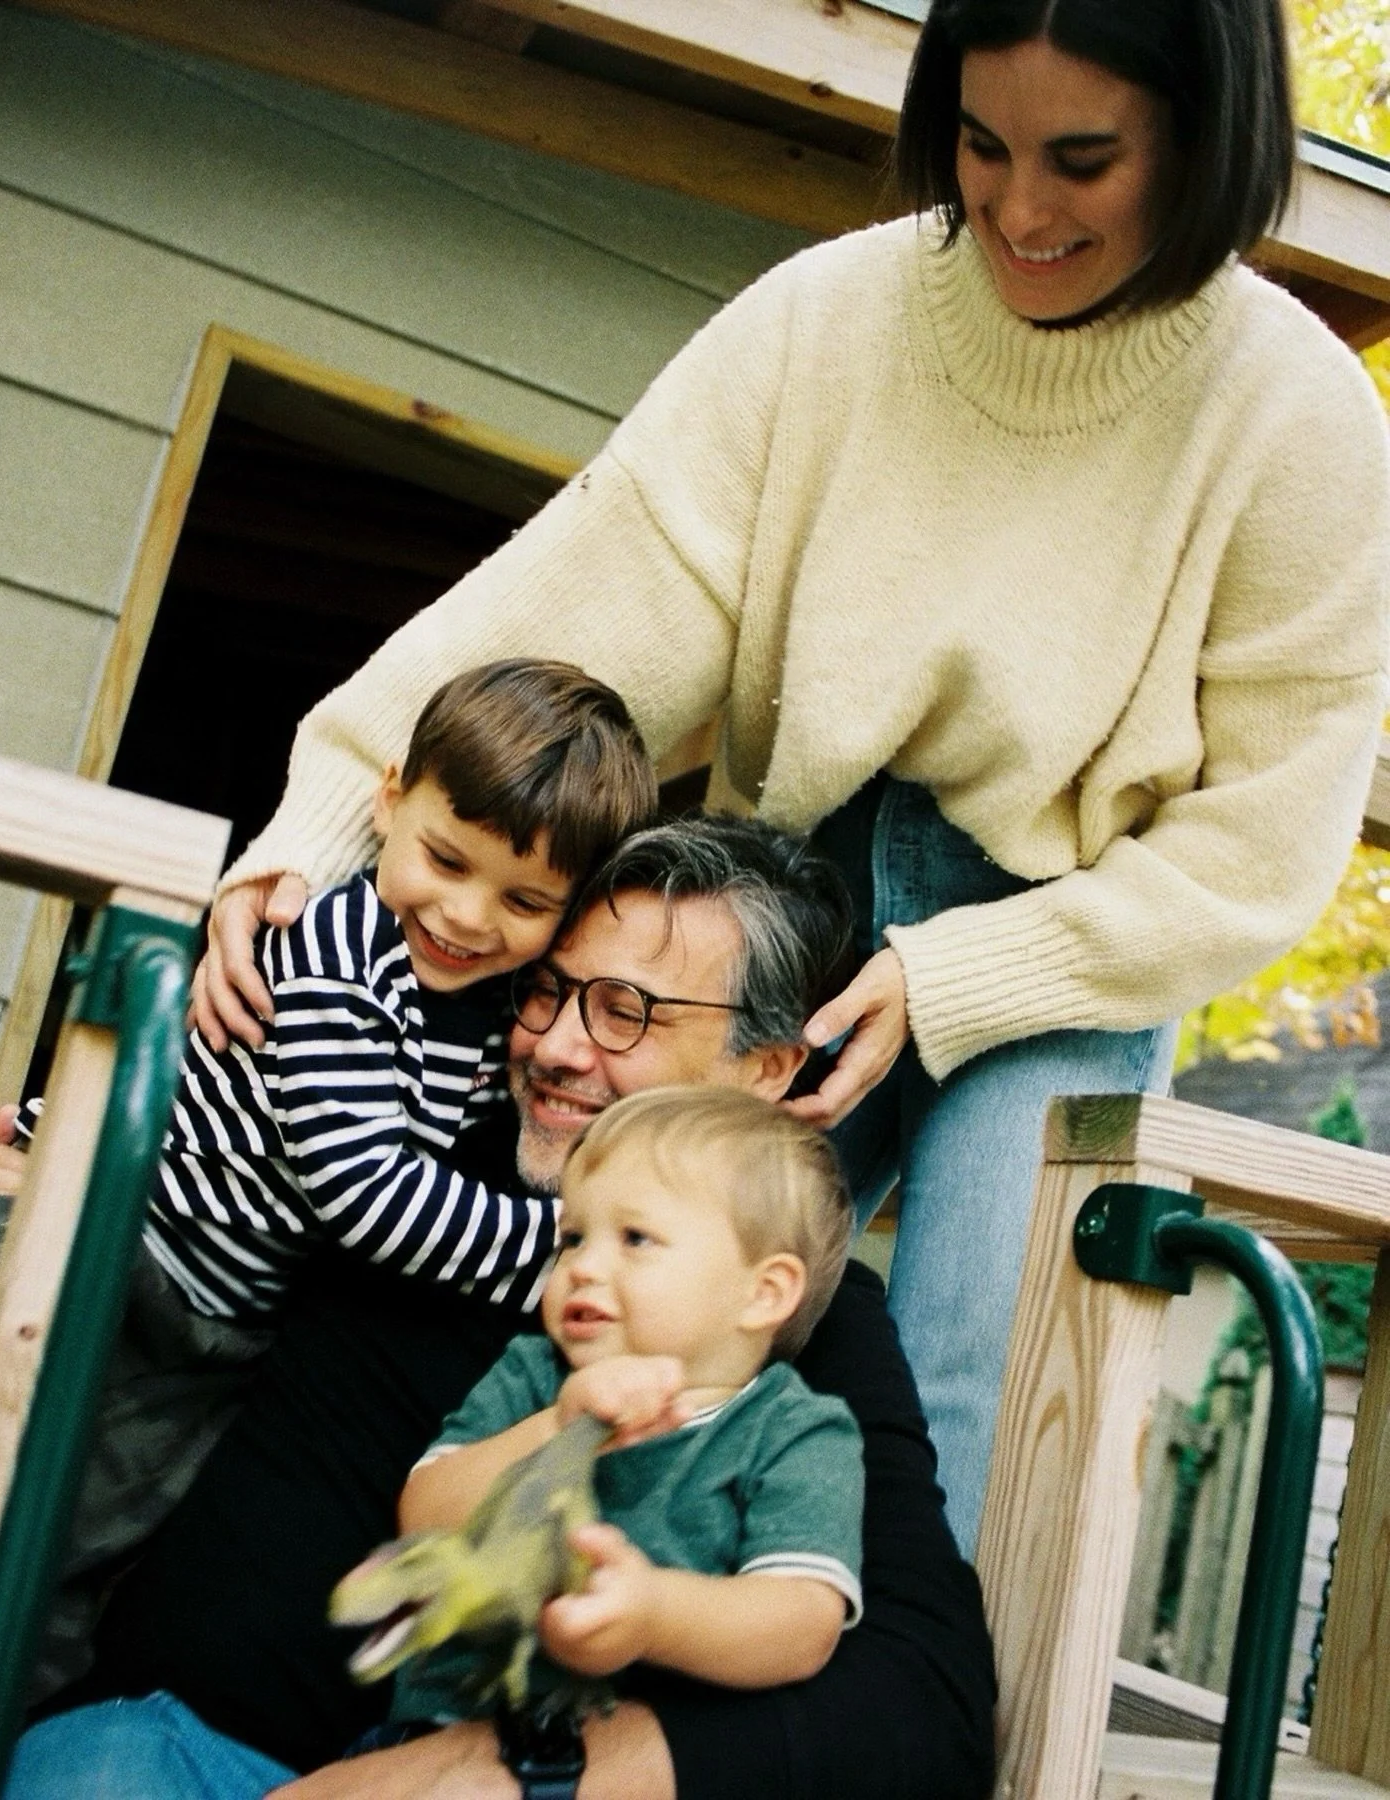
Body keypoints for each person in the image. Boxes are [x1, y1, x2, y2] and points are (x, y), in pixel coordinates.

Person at [192, 0, 1390, 1553]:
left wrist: (959, 976)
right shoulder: (830, 319)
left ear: (1207, 138)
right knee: (624, 1301)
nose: (1021, 211)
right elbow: (575, 606)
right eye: (980, 144)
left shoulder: (1299, 419)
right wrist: (321, 818)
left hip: (1081, 934)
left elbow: (1258, 850)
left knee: (961, 1402)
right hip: (796, 879)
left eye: (1082, 161)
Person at [1, 816, 996, 1800]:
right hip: (164, 1748)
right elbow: (203, 1166)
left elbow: (927, 1701)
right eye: (552, 992)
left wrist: (499, 1775)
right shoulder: (407, 1129)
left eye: (624, 1012)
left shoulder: (785, 1301)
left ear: (766, 1067)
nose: (557, 1047)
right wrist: (30, 1169)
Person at [0, 658, 657, 1698]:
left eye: (523, 900)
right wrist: (571, 1251)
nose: (466, 916)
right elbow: (360, 1190)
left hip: (202, 1332)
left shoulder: (497, 1018)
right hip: (105, 1223)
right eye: (444, 859)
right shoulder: (338, 948)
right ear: (386, 799)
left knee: (64, 1556)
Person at [386, 1086, 863, 1731]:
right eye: (573, 1238)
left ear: (762, 1293)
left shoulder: (793, 1432)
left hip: (627, 1764)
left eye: (635, 1238)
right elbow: (423, 1514)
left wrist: (653, 1615)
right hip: (433, 1736)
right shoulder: (535, 1378)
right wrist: (560, 1427)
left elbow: (802, 1622)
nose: (583, 1267)